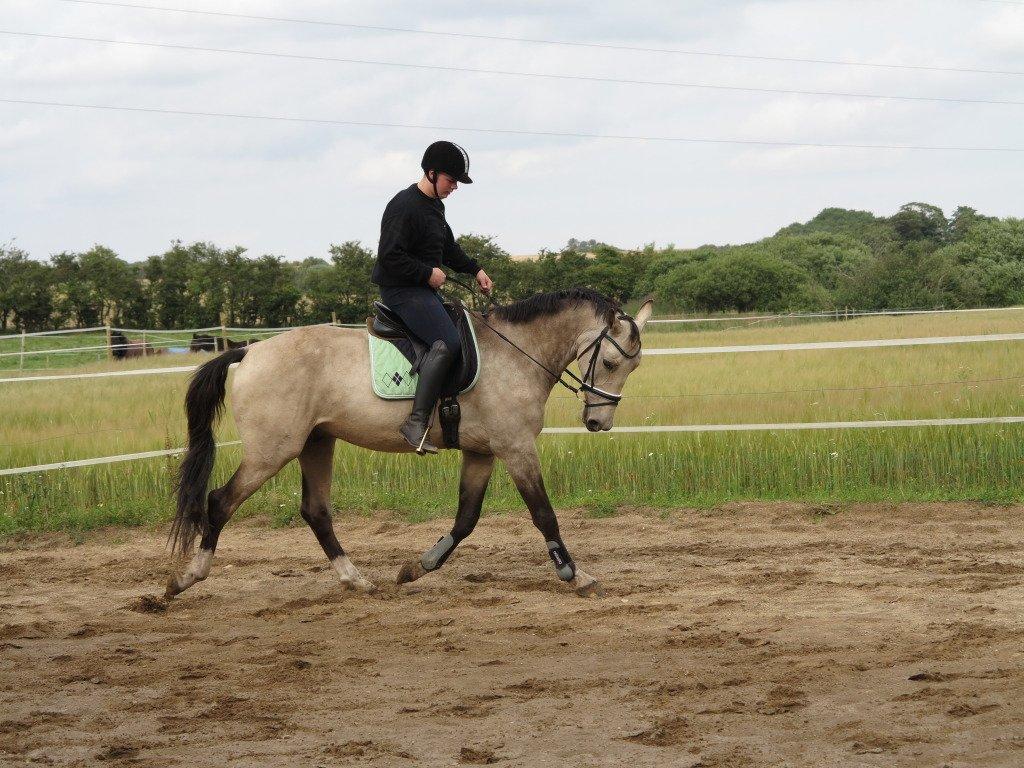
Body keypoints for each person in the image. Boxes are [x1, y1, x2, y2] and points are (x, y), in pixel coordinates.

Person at [371, 140, 493, 454]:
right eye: (451, 180)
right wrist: (427, 273)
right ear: (431, 173)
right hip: (401, 291)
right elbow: (389, 256)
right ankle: (416, 422)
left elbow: (447, 249)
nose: (455, 186)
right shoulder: (403, 206)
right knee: (447, 342)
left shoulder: (435, 206)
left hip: (421, 290)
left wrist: (475, 269)